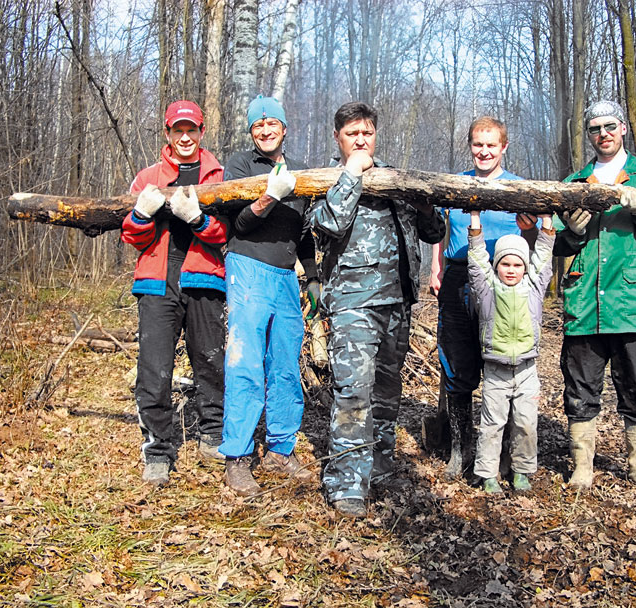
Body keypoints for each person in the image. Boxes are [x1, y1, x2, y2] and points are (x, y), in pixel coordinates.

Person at [311, 101, 445, 518]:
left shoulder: (395, 178)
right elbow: (328, 224)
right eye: (352, 134)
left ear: (375, 134)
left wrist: (424, 205)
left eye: (366, 133)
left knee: (387, 391)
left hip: (398, 301)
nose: (361, 140)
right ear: (338, 138)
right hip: (354, 303)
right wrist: (352, 173)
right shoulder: (327, 179)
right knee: (353, 391)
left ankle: (380, 463)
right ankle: (347, 482)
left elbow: (434, 230)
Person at [554, 100, 636, 492]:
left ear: (623, 128)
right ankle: (582, 466)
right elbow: (558, 244)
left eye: (609, 126)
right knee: (580, 389)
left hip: (634, 305)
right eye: (594, 128)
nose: (603, 134)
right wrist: (573, 231)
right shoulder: (575, 182)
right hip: (585, 304)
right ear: (589, 135)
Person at [121, 100, 227, 487]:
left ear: (202, 132)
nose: (185, 137)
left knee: (210, 361)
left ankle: (212, 435)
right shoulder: (148, 176)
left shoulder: (218, 175)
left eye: (192, 130)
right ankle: (158, 450)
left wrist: (197, 218)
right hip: (157, 279)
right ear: (167, 133)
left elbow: (224, 234)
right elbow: (132, 237)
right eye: (177, 130)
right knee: (154, 367)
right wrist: (141, 214)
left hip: (204, 278)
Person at [425, 117, 537, 479]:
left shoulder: (519, 188)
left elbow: (532, 242)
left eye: (491, 145)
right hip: (459, 277)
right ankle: (461, 450)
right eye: (478, 144)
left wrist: (531, 227)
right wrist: (435, 269)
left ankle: (501, 452)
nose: (484, 151)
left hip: (503, 284)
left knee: (502, 365)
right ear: (470, 146)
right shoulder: (455, 185)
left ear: (504, 147)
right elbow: (441, 233)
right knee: (458, 363)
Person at [219, 95, 318, 495]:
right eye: (257, 125)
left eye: (271, 123)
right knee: (245, 363)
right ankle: (238, 457)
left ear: (283, 128)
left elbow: (305, 231)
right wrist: (269, 195)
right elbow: (237, 224)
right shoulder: (241, 166)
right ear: (251, 131)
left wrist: (312, 277)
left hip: (284, 278)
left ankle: (280, 448)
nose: (265, 130)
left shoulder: (299, 175)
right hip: (248, 270)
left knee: (285, 364)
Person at [467, 210, 555, 494]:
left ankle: (521, 470)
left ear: (525, 268)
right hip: (496, 370)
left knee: (526, 424)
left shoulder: (534, 287)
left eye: (518, 264)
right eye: (505, 263)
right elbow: (477, 259)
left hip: (527, 370)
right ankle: (487, 473)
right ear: (497, 266)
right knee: (492, 425)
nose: (511, 269)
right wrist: (475, 221)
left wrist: (547, 223)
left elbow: (543, 256)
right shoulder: (487, 288)